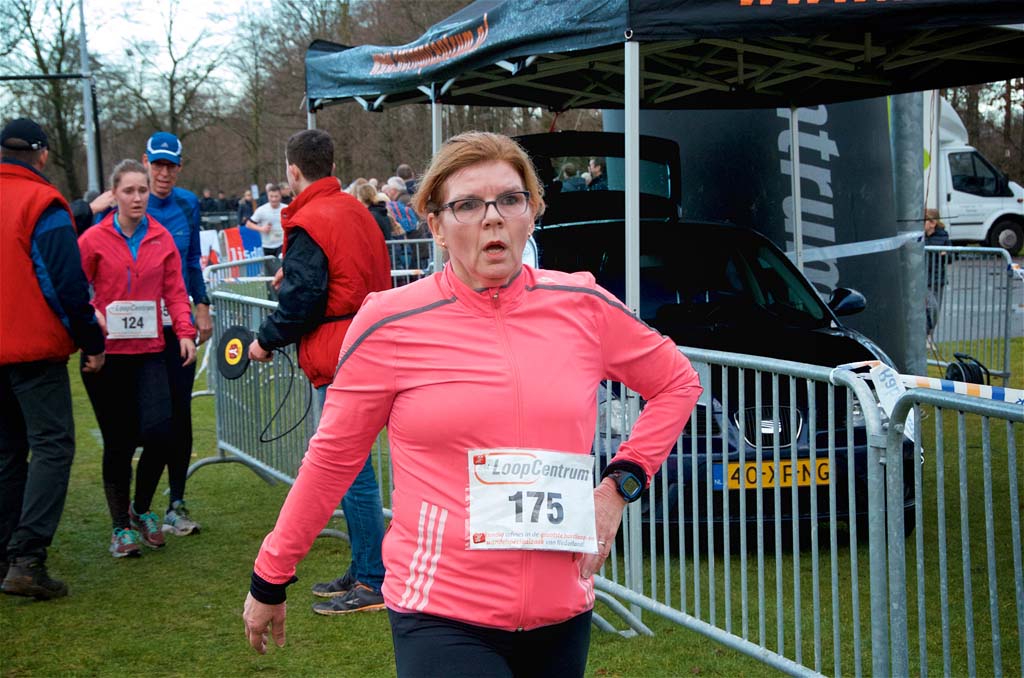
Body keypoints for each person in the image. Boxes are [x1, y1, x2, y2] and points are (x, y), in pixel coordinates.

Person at [242, 132, 702, 676]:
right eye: (467, 205)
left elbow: (677, 382)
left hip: (561, 608)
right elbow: (332, 458)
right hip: (441, 611)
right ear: (436, 226)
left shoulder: (583, 305)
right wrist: (270, 574)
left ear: (532, 214)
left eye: (510, 199)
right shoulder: (390, 322)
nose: (493, 218)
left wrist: (619, 486)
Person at [246, 129, 392, 616]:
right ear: (331, 163)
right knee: (352, 470)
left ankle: (373, 578)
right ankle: (364, 565)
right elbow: (341, 273)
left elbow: (305, 299)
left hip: (341, 353)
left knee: (351, 471)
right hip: (371, 342)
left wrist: (265, 340)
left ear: (292, 170)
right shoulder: (356, 210)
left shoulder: (312, 217)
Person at [0, 117, 106, 599]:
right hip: (32, 349)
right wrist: (92, 341)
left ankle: (8, 554)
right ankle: (26, 557)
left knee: (7, 452)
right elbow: (64, 283)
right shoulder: (42, 201)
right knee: (51, 446)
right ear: (42, 155)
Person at [78, 159, 196, 558]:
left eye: (142, 190)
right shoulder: (93, 238)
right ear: (114, 194)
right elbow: (72, 285)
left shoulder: (161, 238)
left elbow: (175, 290)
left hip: (149, 351)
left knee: (161, 434)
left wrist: (185, 332)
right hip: (108, 356)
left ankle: (141, 509)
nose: (137, 197)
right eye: (129, 191)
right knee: (119, 442)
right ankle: (119, 529)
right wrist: (91, 313)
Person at [140, 131, 212, 536]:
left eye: (170, 166)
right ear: (146, 163)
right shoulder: (131, 202)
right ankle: (135, 509)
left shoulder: (187, 204)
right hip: (137, 329)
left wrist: (202, 303)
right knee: (148, 419)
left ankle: (176, 502)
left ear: (180, 167)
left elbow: (192, 259)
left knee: (180, 414)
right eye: (157, 165)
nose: (163, 173)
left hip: (178, 325)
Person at [924, 207, 951, 339]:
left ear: (932, 223)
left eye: (923, 221)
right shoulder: (920, 237)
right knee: (930, 307)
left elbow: (950, 257)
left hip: (938, 279)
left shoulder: (943, 236)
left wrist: (945, 255)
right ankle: (924, 335)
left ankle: (929, 336)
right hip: (923, 280)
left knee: (936, 311)